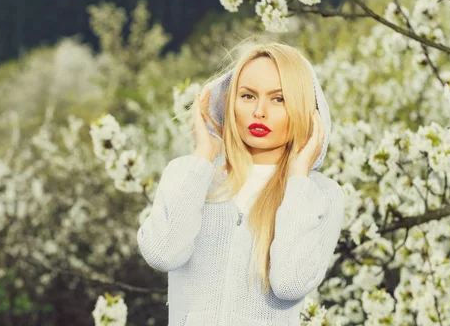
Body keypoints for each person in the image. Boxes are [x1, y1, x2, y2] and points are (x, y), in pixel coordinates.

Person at [136, 39, 345, 326]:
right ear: (230, 101)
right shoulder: (191, 177)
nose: (260, 111)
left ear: (305, 110)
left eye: (279, 99)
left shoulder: (320, 194)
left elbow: (289, 284)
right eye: (247, 96)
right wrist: (204, 154)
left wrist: (298, 180)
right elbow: (163, 254)